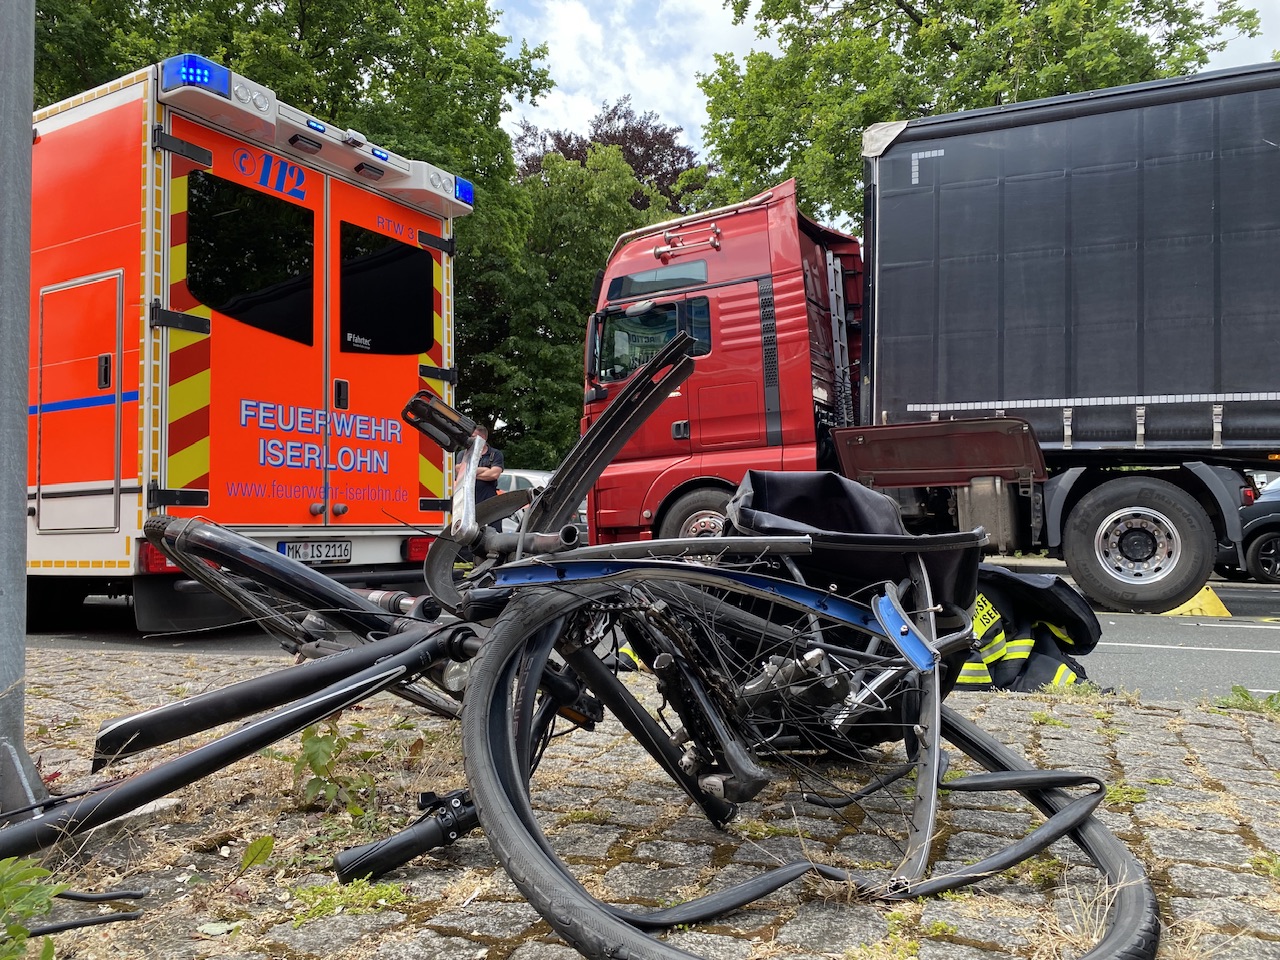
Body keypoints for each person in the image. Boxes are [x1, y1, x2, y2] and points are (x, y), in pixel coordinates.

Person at [455, 425, 504, 532]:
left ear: (482, 438)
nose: (469, 439)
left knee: (493, 530)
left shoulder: (495, 454)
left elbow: (493, 475)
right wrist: (484, 469)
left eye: (473, 436)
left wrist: (470, 471)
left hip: (489, 498)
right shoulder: (463, 454)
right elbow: (459, 470)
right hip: (467, 500)